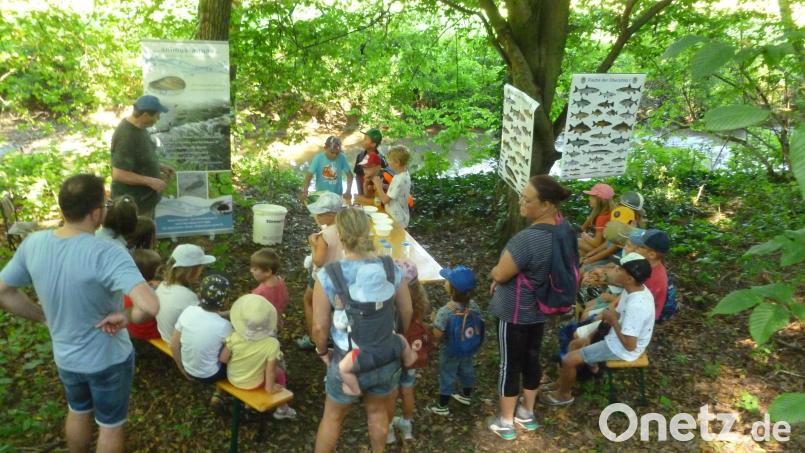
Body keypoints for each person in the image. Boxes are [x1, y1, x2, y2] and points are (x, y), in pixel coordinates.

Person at [0, 173, 159, 453]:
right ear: (97, 213)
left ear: (63, 208)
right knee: (110, 425)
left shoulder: (34, 243)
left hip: (66, 357)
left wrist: (41, 316)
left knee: (78, 409)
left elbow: (3, 290)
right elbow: (149, 306)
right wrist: (127, 316)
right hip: (109, 359)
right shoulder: (108, 251)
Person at [311, 207, 412, 453]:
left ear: (341, 237)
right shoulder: (391, 268)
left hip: (348, 358)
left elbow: (319, 326)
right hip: (385, 356)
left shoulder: (327, 276)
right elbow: (407, 310)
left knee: (333, 418)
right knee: (378, 413)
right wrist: (399, 338)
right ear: (370, 233)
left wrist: (322, 351)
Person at [487, 175, 573, 441]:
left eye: (527, 199)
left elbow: (501, 274)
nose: (521, 202)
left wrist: (494, 272)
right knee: (531, 359)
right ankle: (527, 413)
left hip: (514, 312)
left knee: (509, 364)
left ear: (547, 204)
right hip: (540, 310)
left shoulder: (528, 239)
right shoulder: (565, 229)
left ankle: (505, 421)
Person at [541, 253, 655, 406]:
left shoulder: (637, 306)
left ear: (629, 279)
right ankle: (560, 383)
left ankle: (563, 395)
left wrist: (613, 321)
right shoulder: (633, 289)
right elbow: (614, 316)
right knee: (574, 344)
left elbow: (630, 345)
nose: (614, 270)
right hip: (616, 335)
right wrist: (591, 335)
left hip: (622, 348)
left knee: (569, 360)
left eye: (619, 269)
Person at [336, 263, 420, 396]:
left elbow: (339, 324)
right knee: (402, 339)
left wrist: (339, 308)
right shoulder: (387, 305)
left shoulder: (355, 310)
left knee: (343, 368)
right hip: (390, 346)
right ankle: (409, 357)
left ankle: (354, 389)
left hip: (367, 353)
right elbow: (405, 312)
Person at [221, 294, 297, 420]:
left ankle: (248, 405)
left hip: (233, 378)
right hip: (254, 383)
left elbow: (223, 359)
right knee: (280, 372)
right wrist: (270, 387)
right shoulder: (272, 344)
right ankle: (282, 408)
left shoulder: (234, 337)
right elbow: (270, 371)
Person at [427, 265, 482, 416]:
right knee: (467, 370)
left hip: (450, 349)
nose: (445, 281)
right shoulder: (474, 306)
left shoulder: (445, 311)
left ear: (452, 290)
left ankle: (442, 406)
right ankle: (466, 395)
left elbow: (437, 334)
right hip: (468, 346)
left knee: (447, 374)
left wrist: (433, 322)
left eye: (447, 281)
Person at [386, 260, 431, 444]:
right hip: (412, 356)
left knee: (391, 392)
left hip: (395, 355)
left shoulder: (394, 305)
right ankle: (406, 424)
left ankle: (388, 429)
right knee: (407, 389)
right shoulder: (419, 305)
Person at [110, 95, 175, 219]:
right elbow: (119, 174)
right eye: (157, 115)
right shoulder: (126, 136)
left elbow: (138, 158)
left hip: (144, 201)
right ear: (145, 115)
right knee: (136, 237)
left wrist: (159, 166)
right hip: (133, 206)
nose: (158, 118)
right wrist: (151, 181)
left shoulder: (140, 128)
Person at [297, 192, 345, 349]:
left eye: (320, 213)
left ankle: (315, 339)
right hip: (340, 274)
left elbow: (318, 260)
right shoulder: (345, 229)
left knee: (309, 301)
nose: (316, 216)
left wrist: (313, 244)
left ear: (331, 215)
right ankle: (335, 335)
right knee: (333, 306)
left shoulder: (324, 235)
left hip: (323, 278)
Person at [171, 274, 233, 383]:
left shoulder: (189, 311)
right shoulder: (225, 326)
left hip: (187, 368)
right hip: (210, 375)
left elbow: (174, 345)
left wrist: (181, 368)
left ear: (199, 295)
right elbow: (226, 356)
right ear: (226, 301)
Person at [155, 244, 216, 343]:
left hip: (166, 335)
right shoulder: (188, 297)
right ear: (193, 271)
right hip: (180, 344)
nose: (202, 270)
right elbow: (205, 323)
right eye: (201, 267)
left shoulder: (162, 285)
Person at [628, 228, 670, 320]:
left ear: (651, 255)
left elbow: (636, 305)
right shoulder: (646, 266)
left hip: (638, 317)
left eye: (640, 247)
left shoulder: (652, 278)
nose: (635, 248)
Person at [124, 249, 163, 340]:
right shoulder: (156, 290)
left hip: (131, 331)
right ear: (156, 271)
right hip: (152, 335)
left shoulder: (126, 284)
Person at [301, 136, 353, 200]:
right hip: (321, 195)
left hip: (337, 195)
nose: (335, 155)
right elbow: (309, 175)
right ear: (325, 148)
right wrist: (305, 191)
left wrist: (348, 191)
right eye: (332, 152)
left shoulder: (341, 158)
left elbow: (350, 175)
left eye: (337, 153)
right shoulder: (318, 158)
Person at [373, 146, 412, 228]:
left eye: (390, 160)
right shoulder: (404, 174)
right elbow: (398, 191)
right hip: (401, 217)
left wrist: (379, 186)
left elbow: (385, 200)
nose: (388, 162)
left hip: (396, 219)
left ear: (397, 162)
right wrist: (384, 185)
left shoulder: (399, 179)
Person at [250, 248, 290, 324]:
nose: (251, 270)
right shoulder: (280, 281)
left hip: (262, 325)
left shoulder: (259, 292)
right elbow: (285, 298)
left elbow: (252, 311)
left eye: (255, 269)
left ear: (268, 272)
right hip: (276, 319)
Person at [578, 183, 615, 255]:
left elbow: (597, 243)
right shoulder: (612, 212)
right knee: (580, 251)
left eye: (591, 197)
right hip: (609, 248)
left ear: (599, 199)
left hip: (604, 251)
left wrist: (584, 235)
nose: (589, 199)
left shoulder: (602, 217)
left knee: (577, 241)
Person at [354, 128, 387, 196]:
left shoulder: (381, 160)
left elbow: (385, 180)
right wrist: (360, 193)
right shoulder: (360, 156)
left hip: (376, 195)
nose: (363, 141)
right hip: (364, 192)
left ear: (373, 144)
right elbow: (358, 176)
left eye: (366, 139)